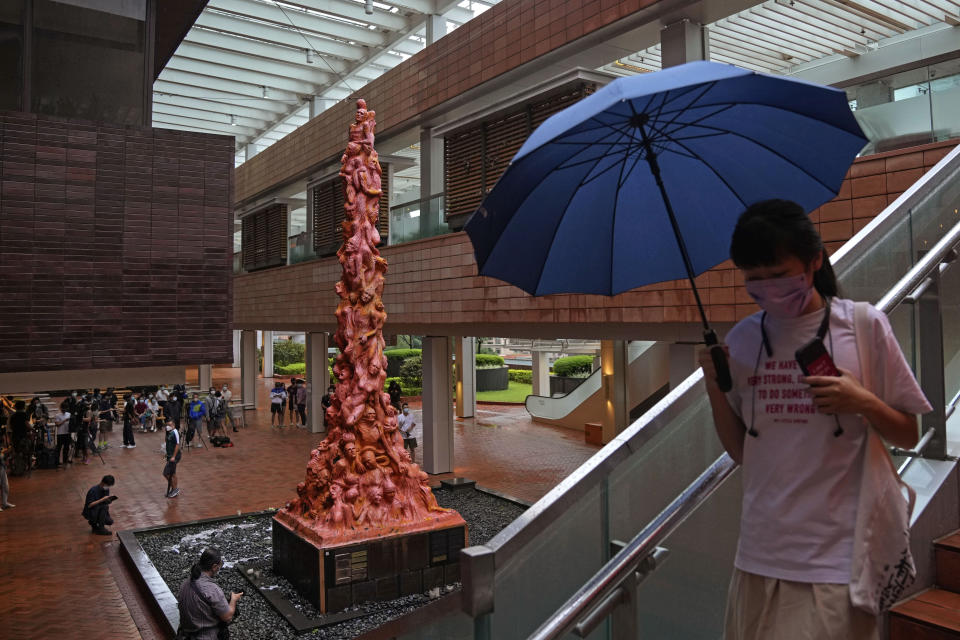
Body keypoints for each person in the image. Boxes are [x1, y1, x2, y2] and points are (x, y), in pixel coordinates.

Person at [697, 200, 931, 640]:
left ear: (815, 259)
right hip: (757, 556)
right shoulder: (744, 340)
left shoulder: (863, 326)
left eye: (779, 275)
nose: (768, 289)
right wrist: (713, 384)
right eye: (755, 280)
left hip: (837, 561)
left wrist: (861, 400)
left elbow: (908, 431)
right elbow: (742, 452)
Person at [177, 547, 242, 640]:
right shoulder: (212, 589)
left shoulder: (185, 583)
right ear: (214, 567)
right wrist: (234, 600)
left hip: (185, 634)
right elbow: (227, 617)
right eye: (220, 565)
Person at [163, 420, 182, 498]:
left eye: (169, 425)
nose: (168, 426)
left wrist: (173, 456)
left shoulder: (175, 432)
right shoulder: (169, 433)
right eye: (167, 425)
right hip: (170, 455)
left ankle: (175, 489)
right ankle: (174, 489)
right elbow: (168, 443)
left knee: (166, 473)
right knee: (172, 473)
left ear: (173, 425)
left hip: (174, 456)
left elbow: (177, 445)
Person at [54, 401, 72, 467]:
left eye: (65, 408)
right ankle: (57, 461)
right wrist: (64, 420)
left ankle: (65, 460)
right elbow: (57, 424)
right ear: (60, 408)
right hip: (60, 434)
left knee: (66, 448)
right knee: (59, 448)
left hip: (67, 433)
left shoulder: (69, 414)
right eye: (63, 408)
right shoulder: (57, 415)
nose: (64, 410)